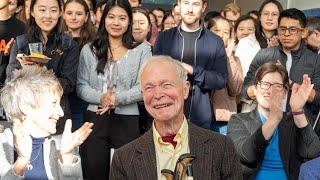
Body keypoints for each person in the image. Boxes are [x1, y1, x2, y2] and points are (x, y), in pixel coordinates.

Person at [109, 55, 242, 179]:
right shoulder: (124, 159)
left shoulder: (221, 147)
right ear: (142, 95)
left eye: (166, 85)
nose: (158, 94)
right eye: (149, 88)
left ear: (185, 90)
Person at [76, 0, 152, 179]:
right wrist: (101, 98)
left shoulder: (142, 50)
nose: (116, 23)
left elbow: (143, 87)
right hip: (95, 119)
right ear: (103, 19)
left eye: (122, 18)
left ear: (129, 21)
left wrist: (116, 99)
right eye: (111, 17)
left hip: (128, 119)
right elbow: (81, 87)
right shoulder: (90, 49)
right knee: (93, 172)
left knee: (127, 173)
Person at [227, 62, 320, 179]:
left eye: (277, 85)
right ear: (255, 89)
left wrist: (298, 111)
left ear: (285, 93)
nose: (270, 91)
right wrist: (272, 120)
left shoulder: (293, 121)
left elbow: (313, 153)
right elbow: (247, 156)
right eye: (265, 84)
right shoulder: (238, 121)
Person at [0, 65, 93, 179]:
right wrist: (21, 163)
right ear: (26, 107)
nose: (61, 112)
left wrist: (67, 158)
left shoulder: (62, 145)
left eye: (60, 104)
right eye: (54, 103)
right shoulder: (2, 145)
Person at [6, 0, 79, 134]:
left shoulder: (69, 45)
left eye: (53, 10)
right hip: (27, 118)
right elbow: (10, 81)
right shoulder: (21, 42)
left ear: (60, 13)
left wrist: (38, 71)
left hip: (56, 118)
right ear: (32, 12)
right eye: (42, 10)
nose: (48, 15)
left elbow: (68, 84)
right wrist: (23, 71)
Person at [154, 0, 228, 130]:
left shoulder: (215, 42)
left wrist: (194, 71)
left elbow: (221, 80)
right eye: (186, 3)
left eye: (195, 4)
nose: (190, 9)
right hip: (166, 116)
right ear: (179, 4)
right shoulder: (164, 38)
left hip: (200, 120)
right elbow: (154, 75)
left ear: (204, 7)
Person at [243, 8, 320, 131]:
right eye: (282, 29)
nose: (287, 34)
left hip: (299, 127)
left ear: (304, 32)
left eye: (292, 30)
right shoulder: (264, 55)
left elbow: (318, 99)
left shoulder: (315, 60)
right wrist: (267, 85)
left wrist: (289, 83)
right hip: (264, 125)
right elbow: (245, 91)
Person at [207, 16, 243, 135]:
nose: (221, 35)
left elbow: (235, 89)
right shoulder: (200, 55)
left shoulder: (234, 59)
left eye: (226, 32)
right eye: (216, 30)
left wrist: (228, 59)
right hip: (201, 116)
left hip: (223, 120)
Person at [0, 0, 25, 87]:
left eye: (11, 3)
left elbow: (23, 61)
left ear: (18, 9)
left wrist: (11, 53)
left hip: (8, 85)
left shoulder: (21, 27)